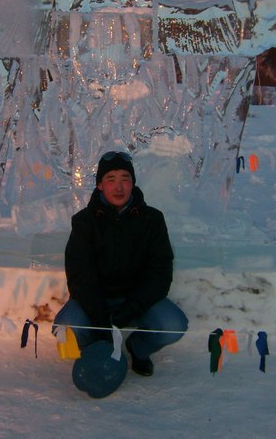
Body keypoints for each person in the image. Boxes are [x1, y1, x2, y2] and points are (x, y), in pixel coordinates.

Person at [54, 150, 188, 397]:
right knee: (66, 325)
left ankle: (138, 348)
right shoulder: (84, 222)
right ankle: (98, 350)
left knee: (173, 324)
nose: (118, 187)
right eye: (111, 179)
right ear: (99, 185)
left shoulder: (153, 220)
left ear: (133, 183)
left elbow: (160, 272)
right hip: (96, 300)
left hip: (137, 300)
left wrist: (134, 306)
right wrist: (100, 318)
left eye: (125, 178)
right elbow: (80, 275)